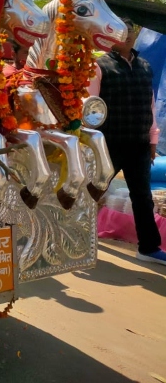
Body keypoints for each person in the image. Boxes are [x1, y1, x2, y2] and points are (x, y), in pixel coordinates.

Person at [88, 17, 165, 265]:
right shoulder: (99, 66)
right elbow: (90, 108)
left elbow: (150, 104)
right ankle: (75, 237)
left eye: (131, 31)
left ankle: (149, 248)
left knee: (142, 197)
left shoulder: (144, 65)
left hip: (139, 144)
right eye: (121, 31)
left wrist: (153, 139)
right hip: (108, 144)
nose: (127, 35)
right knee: (91, 193)